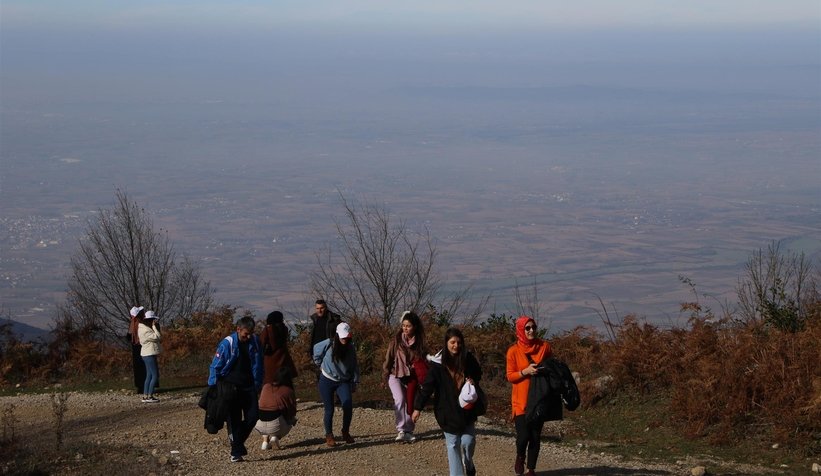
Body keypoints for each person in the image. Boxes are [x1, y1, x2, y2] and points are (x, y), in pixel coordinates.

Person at [412, 328, 483, 476]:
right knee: (453, 445)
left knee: (468, 442)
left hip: (466, 410)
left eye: (458, 342)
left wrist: (472, 379)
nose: (456, 345)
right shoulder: (437, 365)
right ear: (446, 343)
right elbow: (427, 387)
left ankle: (468, 463)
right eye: (452, 342)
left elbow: (478, 372)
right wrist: (418, 407)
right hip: (446, 411)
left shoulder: (468, 358)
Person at [208, 316, 264, 463]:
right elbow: (215, 366)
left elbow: (258, 364)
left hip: (249, 386)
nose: (249, 336)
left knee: (253, 417)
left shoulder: (255, 342)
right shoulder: (228, 344)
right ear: (238, 330)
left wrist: (258, 384)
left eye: (251, 333)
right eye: (246, 333)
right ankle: (236, 452)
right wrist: (213, 387)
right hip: (230, 388)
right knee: (234, 420)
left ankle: (237, 445)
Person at [506, 316, 553, 476]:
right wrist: (525, 371)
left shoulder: (544, 347)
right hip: (520, 402)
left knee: (535, 436)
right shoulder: (513, 351)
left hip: (539, 399)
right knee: (523, 436)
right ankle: (520, 456)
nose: (531, 330)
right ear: (520, 330)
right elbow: (510, 376)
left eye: (533, 327)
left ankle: (531, 470)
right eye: (527, 328)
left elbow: (551, 366)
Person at [382, 310, 428, 443]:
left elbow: (425, 360)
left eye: (408, 326)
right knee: (400, 399)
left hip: (412, 377)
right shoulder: (396, 341)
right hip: (395, 374)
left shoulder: (420, 343)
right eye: (403, 326)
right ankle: (401, 429)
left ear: (414, 327)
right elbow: (388, 359)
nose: (405, 328)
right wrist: (384, 376)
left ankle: (409, 430)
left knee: (411, 402)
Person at [312, 321, 359, 447]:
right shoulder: (329, 343)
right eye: (343, 337)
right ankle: (329, 435)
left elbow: (354, 364)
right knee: (329, 409)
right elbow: (316, 350)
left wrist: (355, 381)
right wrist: (319, 365)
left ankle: (345, 431)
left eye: (347, 337)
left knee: (347, 404)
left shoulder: (351, 347)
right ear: (337, 335)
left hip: (343, 380)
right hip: (326, 379)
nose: (345, 339)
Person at [260, 311, 298, 384]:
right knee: (285, 382)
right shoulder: (284, 329)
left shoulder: (267, 330)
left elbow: (261, 343)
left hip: (269, 361)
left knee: (270, 384)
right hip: (284, 359)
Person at [137, 310, 162, 403]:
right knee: (155, 375)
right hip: (149, 354)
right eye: (153, 320)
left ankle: (145, 395)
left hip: (147, 353)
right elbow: (157, 337)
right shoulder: (146, 330)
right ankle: (150, 396)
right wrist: (154, 327)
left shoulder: (143, 328)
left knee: (149, 375)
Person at [127, 306, 147, 394]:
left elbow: (128, 336)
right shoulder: (139, 323)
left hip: (135, 347)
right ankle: (143, 386)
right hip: (141, 346)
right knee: (143, 367)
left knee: (138, 368)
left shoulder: (132, 323)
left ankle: (140, 386)